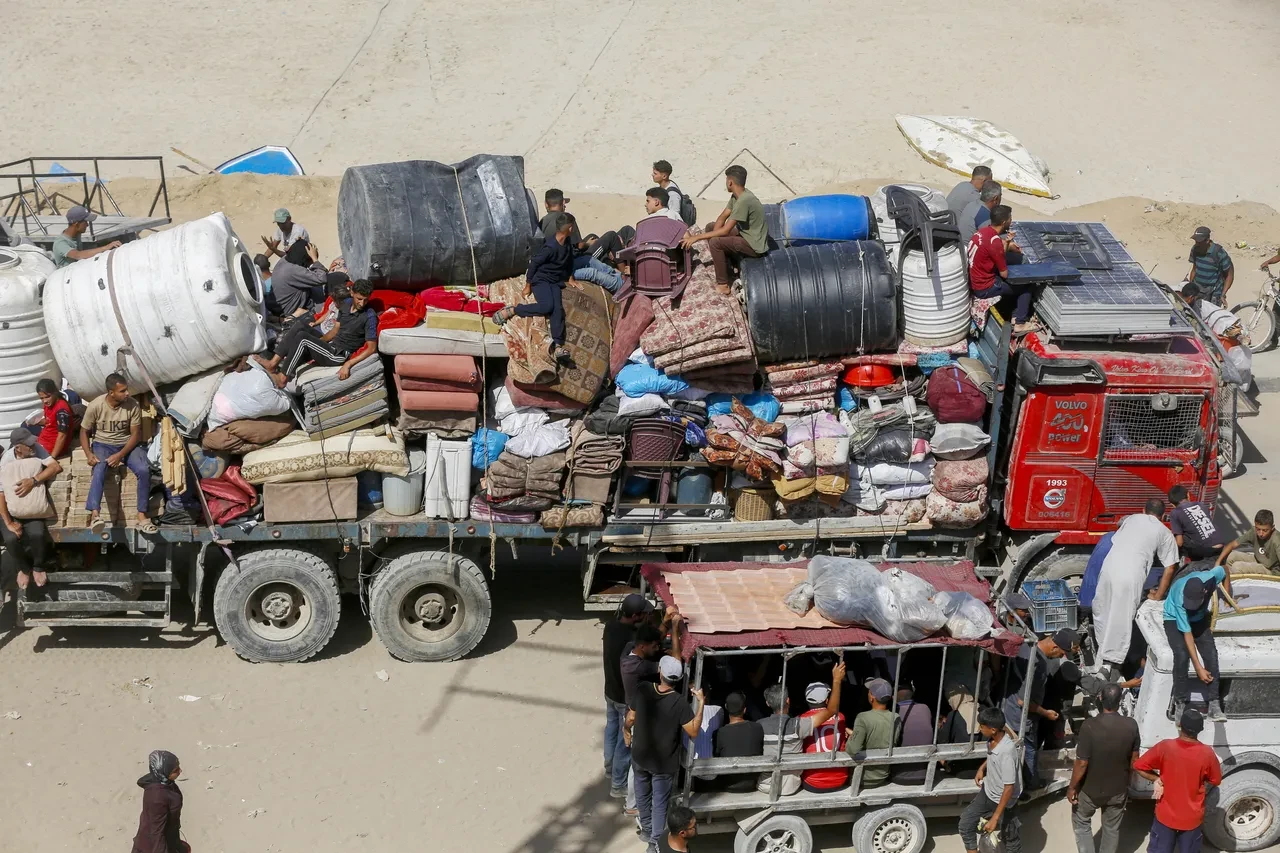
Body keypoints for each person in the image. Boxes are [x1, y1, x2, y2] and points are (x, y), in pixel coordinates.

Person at [626, 656, 705, 853]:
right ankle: (654, 843)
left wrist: (626, 730)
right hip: (664, 763)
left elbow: (631, 717)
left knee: (642, 795)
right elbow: (693, 731)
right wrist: (701, 703)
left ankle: (646, 830)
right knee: (659, 803)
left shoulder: (643, 689)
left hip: (640, 756)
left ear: (660, 671)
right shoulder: (679, 703)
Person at [1093, 499, 1180, 675]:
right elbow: (1171, 567)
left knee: (1103, 610)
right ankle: (1109, 665)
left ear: (1143, 510)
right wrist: (1158, 595)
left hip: (1109, 569)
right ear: (1163, 516)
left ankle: (1101, 653)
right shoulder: (1164, 531)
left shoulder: (1131, 519)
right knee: (1121, 618)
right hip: (1130, 576)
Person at [1132, 708, 1222, 853]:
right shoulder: (1207, 753)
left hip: (1165, 816)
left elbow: (1138, 766)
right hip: (1191, 818)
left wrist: (1157, 778)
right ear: (1200, 730)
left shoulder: (1166, 746)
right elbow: (1215, 780)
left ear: (1179, 725)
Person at [1001, 628, 1078, 792]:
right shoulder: (1038, 666)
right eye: (1062, 653)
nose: (1060, 657)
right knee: (1028, 750)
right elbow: (1024, 701)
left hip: (1008, 706)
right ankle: (1031, 783)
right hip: (1021, 716)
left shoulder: (1027, 644)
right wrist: (1046, 713)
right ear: (1055, 647)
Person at [80, 373, 156, 535]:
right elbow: (84, 431)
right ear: (111, 392)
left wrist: (120, 455)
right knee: (99, 468)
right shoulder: (96, 405)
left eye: (126, 390)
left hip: (126, 445)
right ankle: (95, 514)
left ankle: (142, 515)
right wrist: (88, 454)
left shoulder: (133, 405)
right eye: (122, 391)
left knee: (143, 469)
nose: (127, 393)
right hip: (103, 444)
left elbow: (135, 434)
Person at [494, 213, 576, 362]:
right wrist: (528, 285)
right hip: (542, 280)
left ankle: (557, 345)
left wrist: (571, 278)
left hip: (555, 281)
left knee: (558, 309)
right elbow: (534, 264)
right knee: (547, 306)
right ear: (570, 228)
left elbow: (570, 260)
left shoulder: (567, 242)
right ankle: (514, 310)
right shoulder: (550, 247)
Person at [1068, 683, 1141, 853]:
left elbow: (1082, 763)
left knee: (1081, 821)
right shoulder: (1131, 725)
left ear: (1100, 699)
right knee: (1111, 829)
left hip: (1090, 790)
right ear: (1120, 700)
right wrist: (1127, 782)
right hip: (1118, 789)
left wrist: (1072, 787)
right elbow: (1135, 760)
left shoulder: (1089, 726)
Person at [257, 278, 378, 379]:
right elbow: (335, 330)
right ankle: (273, 363)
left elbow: (371, 348)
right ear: (352, 293)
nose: (362, 303)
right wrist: (319, 342)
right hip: (331, 345)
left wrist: (348, 364)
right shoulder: (346, 303)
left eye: (366, 300)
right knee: (300, 326)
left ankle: (283, 377)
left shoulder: (369, 316)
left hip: (338, 355)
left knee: (303, 338)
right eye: (359, 299)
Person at [757, 658, 845, 796]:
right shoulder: (799, 724)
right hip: (791, 786)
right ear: (788, 701)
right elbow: (831, 710)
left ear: (767, 704)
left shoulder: (759, 726)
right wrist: (837, 680)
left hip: (766, 786)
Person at [681, 165, 769, 295]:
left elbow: (726, 230)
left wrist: (697, 238)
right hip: (745, 234)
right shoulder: (737, 196)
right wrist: (712, 237)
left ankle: (723, 285)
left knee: (716, 243)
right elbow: (723, 217)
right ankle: (726, 262)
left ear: (730, 182)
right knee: (711, 227)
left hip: (754, 245)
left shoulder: (744, 201)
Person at [1165, 560, 1235, 721]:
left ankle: (1214, 703)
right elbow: (1187, 634)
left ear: (1204, 591)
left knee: (1210, 653)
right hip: (1173, 619)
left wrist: (1227, 595)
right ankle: (1180, 702)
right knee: (1182, 655)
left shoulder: (1210, 577)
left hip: (1200, 618)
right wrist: (1198, 668)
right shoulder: (1179, 598)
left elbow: (1224, 569)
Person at [0, 427, 61, 598]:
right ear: (18, 448)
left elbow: (55, 467)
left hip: (32, 508)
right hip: (11, 511)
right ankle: (23, 568)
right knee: (11, 539)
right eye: (28, 444)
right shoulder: (6, 463)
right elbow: (1, 495)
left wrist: (33, 481)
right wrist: (9, 523)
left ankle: (38, 567)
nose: (33, 445)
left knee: (37, 534)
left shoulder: (37, 449)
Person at [604, 594, 654, 800]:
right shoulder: (632, 639)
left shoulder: (610, 627)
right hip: (624, 697)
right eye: (643, 614)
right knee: (625, 742)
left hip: (610, 691)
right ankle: (618, 784)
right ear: (635, 616)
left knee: (612, 729)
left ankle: (609, 767)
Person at [959, 706, 1022, 853]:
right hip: (987, 792)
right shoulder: (992, 740)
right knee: (966, 825)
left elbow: (1009, 788)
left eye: (982, 726)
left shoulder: (1006, 752)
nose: (979, 729)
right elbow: (993, 756)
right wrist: (982, 768)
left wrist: (995, 818)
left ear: (993, 729)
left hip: (1004, 802)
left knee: (1011, 840)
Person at [539, 190, 624, 291]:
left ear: (546, 204)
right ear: (563, 203)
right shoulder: (566, 220)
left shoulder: (542, 222)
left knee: (592, 236)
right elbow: (578, 246)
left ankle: (613, 271)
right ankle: (622, 280)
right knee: (611, 237)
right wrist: (588, 244)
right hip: (569, 264)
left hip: (560, 263)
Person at [968, 205, 1033, 331]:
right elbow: (1004, 274)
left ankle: (1014, 316)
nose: (1011, 222)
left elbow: (996, 254)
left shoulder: (981, 232)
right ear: (1004, 222)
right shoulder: (995, 241)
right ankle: (1020, 322)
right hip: (985, 287)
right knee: (1026, 286)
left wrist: (1007, 242)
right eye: (1010, 219)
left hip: (975, 278)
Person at [131, 749, 189, 853]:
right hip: (153, 847)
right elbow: (156, 833)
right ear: (165, 771)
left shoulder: (166, 783)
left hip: (169, 839)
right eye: (175, 770)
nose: (180, 771)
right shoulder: (157, 797)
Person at [845, 676, 898, 789]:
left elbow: (852, 749)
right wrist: (855, 733)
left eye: (869, 692)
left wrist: (851, 736)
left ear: (872, 697)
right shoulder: (896, 717)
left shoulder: (862, 717)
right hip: (883, 776)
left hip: (862, 778)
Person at [800, 673, 849, 793]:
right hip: (840, 779)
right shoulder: (840, 717)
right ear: (827, 700)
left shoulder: (802, 720)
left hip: (813, 782)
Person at [713, 692, 764, 792]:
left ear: (726, 707)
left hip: (728, 784)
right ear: (745, 710)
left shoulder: (719, 733)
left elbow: (716, 755)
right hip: (752, 783)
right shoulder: (757, 727)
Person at [269, 239, 329, 318]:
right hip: (289, 311)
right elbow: (322, 278)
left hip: (278, 307)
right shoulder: (294, 270)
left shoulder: (284, 260)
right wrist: (315, 259)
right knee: (324, 304)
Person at [1168, 485, 1229, 561]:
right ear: (1188, 495)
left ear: (1172, 504)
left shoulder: (1175, 513)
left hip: (1209, 551)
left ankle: (1191, 562)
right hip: (1221, 545)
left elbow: (1179, 543)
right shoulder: (1200, 504)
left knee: (1180, 537)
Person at [51, 205, 121, 267]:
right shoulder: (60, 243)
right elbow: (78, 255)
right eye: (85, 222)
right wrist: (106, 247)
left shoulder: (77, 234)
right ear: (76, 224)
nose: (87, 225)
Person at [893, 685, 933, 784]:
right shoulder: (925, 708)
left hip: (900, 776)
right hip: (927, 775)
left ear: (893, 697)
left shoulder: (894, 713)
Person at [1219, 509, 1279, 574]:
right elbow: (1233, 544)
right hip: (1258, 560)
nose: (1261, 533)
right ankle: (1230, 579)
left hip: (1271, 569)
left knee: (1237, 567)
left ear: (1272, 528)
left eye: (1265, 530)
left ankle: (1237, 581)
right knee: (1231, 556)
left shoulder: (1276, 539)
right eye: (1258, 529)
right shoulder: (1253, 532)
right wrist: (1218, 562)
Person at [1187, 226, 1234, 306]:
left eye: (1199, 242)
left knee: (1209, 316)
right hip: (1198, 289)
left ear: (1207, 240)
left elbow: (1230, 275)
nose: (1196, 244)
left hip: (1214, 293)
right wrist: (1191, 286)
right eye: (1195, 241)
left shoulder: (1219, 253)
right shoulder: (1195, 249)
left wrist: (1223, 294)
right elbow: (1194, 269)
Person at [35, 378, 77, 457]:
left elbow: (62, 436)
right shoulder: (49, 404)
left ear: (55, 393)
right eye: (42, 398)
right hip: (44, 440)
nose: (44, 401)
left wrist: (52, 457)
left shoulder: (62, 411)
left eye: (47, 397)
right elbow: (51, 421)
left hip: (51, 447)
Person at [960, 180, 1002, 244]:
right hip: (967, 250)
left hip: (960, 244)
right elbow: (990, 241)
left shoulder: (972, 204)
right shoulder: (984, 215)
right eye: (1000, 196)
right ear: (995, 198)